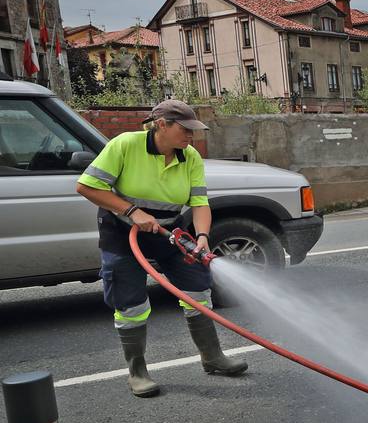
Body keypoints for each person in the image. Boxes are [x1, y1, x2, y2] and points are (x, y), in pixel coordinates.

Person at [76, 99, 247, 397]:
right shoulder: (125, 145)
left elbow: (199, 202)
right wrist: (131, 212)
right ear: (161, 125)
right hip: (121, 232)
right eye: (185, 130)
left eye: (193, 131)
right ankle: (137, 372)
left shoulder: (189, 156)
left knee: (197, 288)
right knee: (131, 304)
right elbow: (87, 186)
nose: (190, 137)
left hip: (167, 231)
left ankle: (212, 357)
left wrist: (203, 236)